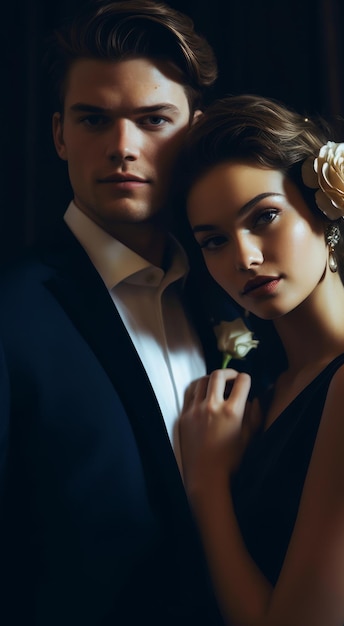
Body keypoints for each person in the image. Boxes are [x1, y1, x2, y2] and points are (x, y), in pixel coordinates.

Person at [0, 2, 225, 625]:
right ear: (59, 135)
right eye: (94, 119)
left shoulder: (232, 292)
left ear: (195, 132)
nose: (122, 147)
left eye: (153, 120)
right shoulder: (11, 316)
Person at [178, 94, 344, 626]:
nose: (243, 256)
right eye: (213, 241)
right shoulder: (268, 386)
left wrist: (207, 485)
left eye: (264, 217)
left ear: (324, 210)